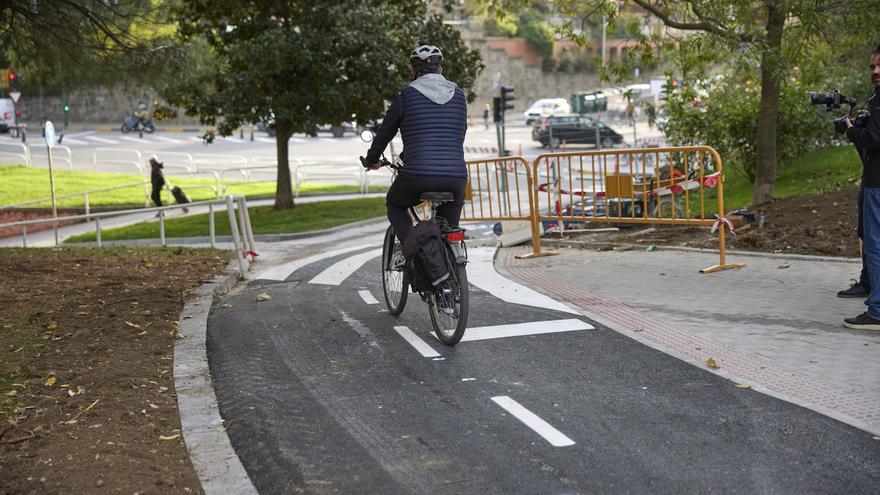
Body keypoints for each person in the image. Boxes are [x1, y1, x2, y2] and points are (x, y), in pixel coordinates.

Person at [362, 45, 468, 250]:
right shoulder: (460, 96)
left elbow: (385, 133)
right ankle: (451, 266)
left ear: (413, 72)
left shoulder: (405, 96)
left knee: (394, 204)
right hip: (455, 176)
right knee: (450, 230)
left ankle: (413, 250)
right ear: (440, 70)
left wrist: (372, 159)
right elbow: (458, 133)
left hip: (417, 174)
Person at [843, 43, 880, 330]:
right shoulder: (875, 99)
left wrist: (852, 130)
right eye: (872, 67)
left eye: (879, 66)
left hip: (876, 183)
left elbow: (874, 141)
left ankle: (877, 310)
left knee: (875, 245)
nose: (875, 71)